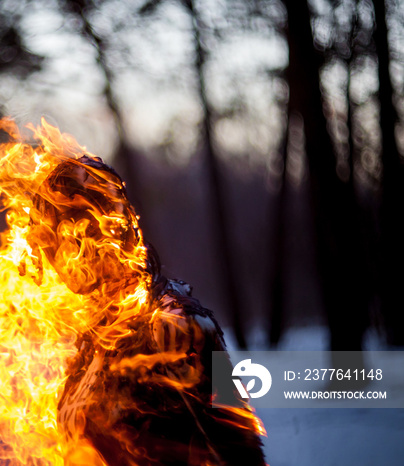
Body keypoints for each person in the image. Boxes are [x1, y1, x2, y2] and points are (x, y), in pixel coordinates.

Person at [27, 155, 266, 465]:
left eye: (70, 235)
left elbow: (242, 449)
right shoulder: (94, 338)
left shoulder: (176, 324)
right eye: (51, 242)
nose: (60, 258)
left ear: (111, 229)